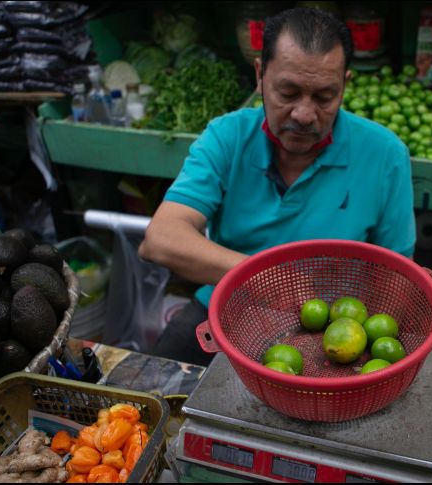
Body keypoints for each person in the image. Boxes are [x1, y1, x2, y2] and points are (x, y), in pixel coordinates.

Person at [139, 7, 416, 365]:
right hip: (230, 307)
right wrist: (264, 278)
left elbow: (397, 277)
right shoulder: (228, 137)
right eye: (287, 92)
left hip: (336, 329)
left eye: (324, 97)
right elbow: (160, 239)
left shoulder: (384, 154)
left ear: (345, 85)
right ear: (259, 75)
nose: (303, 114)